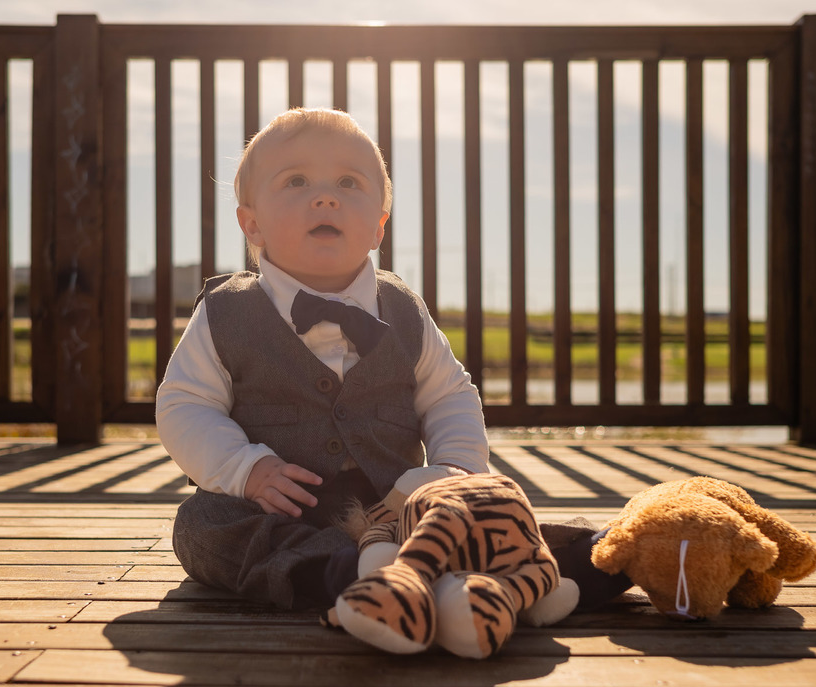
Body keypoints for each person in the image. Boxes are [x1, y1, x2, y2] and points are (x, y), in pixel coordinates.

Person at [157, 107, 630, 611]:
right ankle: (349, 572)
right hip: (283, 512)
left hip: (399, 509)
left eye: (348, 182)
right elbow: (185, 406)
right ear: (252, 224)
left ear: (379, 227)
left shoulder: (403, 308)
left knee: (487, 510)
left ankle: (591, 558)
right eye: (296, 181)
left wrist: (454, 469)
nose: (325, 197)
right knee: (202, 524)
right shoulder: (226, 313)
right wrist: (245, 469)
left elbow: (449, 396)